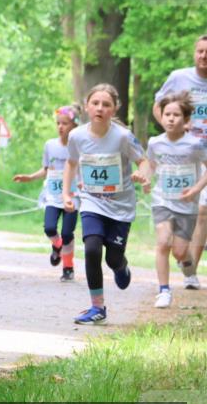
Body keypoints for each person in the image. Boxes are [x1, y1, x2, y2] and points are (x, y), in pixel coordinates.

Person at [63, 84, 150, 325]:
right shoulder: (76, 136)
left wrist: (142, 175)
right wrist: (66, 194)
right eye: (95, 103)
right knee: (92, 249)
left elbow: (143, 161)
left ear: (114, 109)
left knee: (112, 258)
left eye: (106, 104)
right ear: (87, 107)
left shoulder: (123, 136)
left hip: (120, 207)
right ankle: (97, 307)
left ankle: (121, 267)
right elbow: (71, 163)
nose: (100, 108)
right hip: (92, 201)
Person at [153, 34, 207, 289]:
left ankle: (190, 272)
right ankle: (186, 263)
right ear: (194, 53)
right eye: (200, 51)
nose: (204, 56)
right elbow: (158, 105)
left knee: (203, 212)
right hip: (183, 156)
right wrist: (171, 132)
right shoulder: (179, 77)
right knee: (173, 236)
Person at [145, 92, 207, 307]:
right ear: (161, 117)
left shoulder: (195, 145)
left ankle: (188, 265)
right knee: (163, 242)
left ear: (186, 119)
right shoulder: (155, 143)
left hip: (187, 204)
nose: (171, 119)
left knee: (179, 252)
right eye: (167, 114)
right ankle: (164, 291)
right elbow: (150, 166)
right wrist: (145, 179)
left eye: (176, 115)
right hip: (162, 200)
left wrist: (195, 190)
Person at [13, 105, 82, 281]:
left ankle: (68, 268)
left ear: (74, 125)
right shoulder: (50, 145)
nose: (60, 127)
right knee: (50, 228)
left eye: (65, 123)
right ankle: (57, 246)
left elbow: (84, 170)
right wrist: (29, 177)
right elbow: (46, 169)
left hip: (72, 196)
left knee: (67, 233)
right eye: (58, 123)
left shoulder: (80, 147)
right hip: (53, 195)